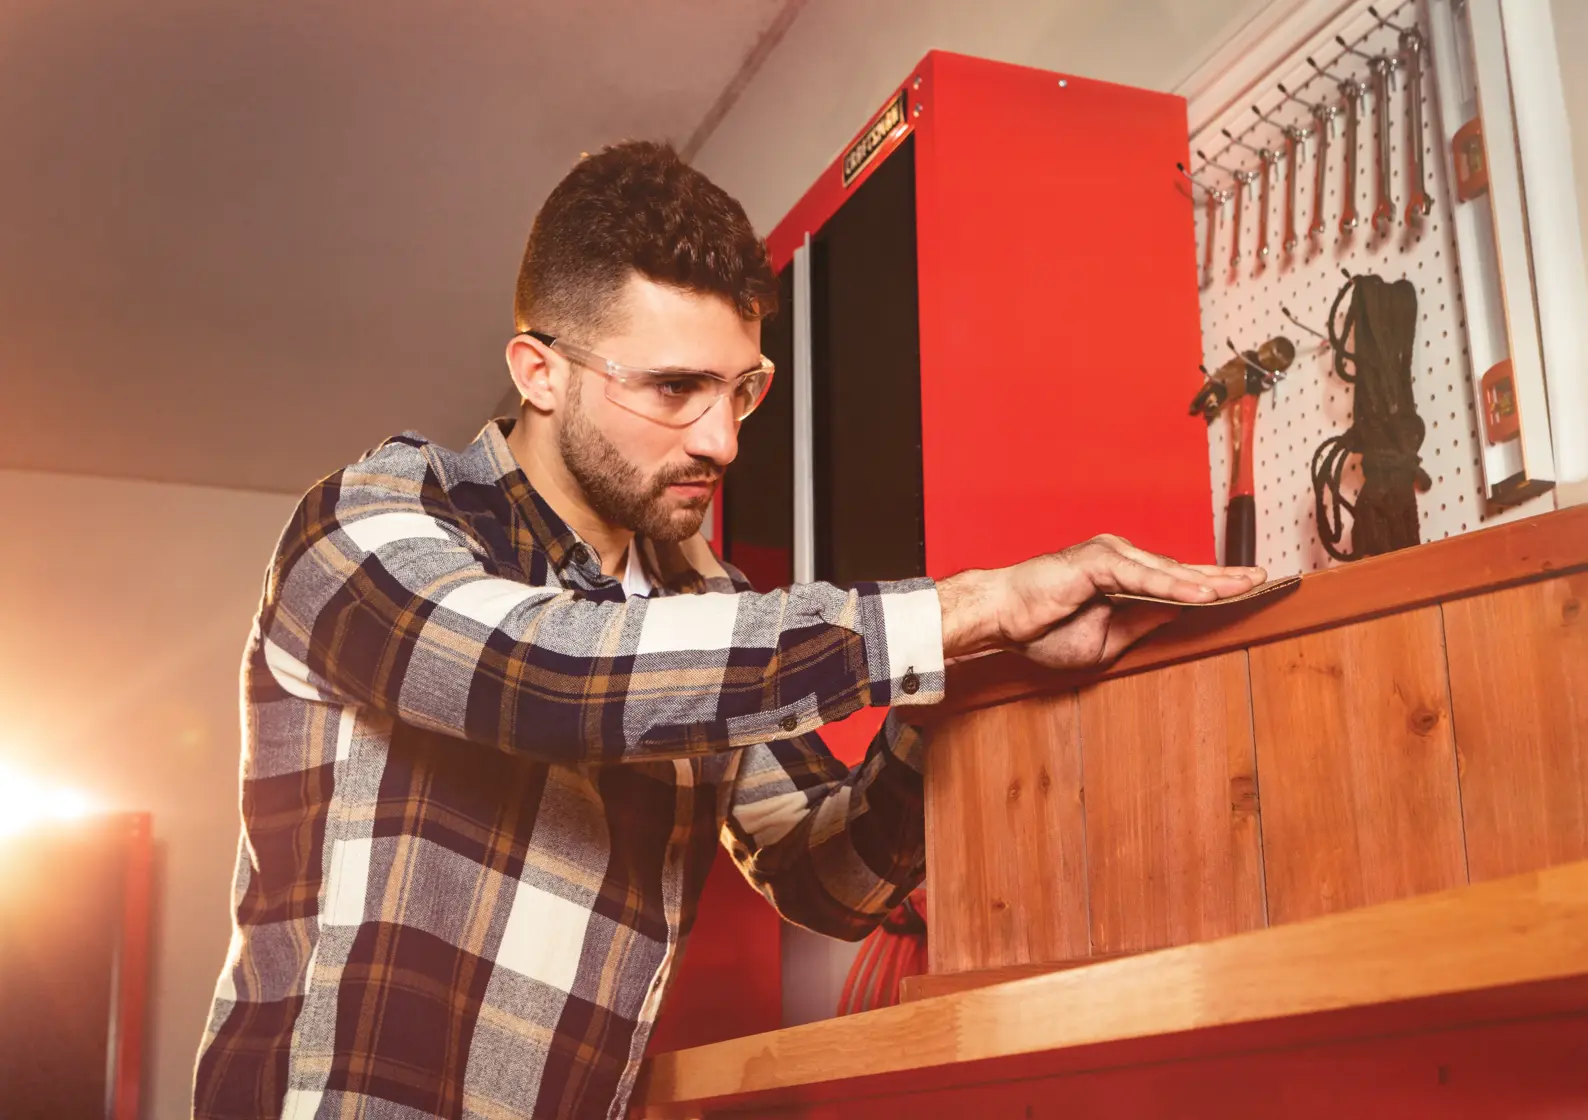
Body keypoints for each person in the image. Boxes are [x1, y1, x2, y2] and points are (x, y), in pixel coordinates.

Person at [192, 140, 1264, 1120]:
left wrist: (969, 674)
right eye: (673, 388)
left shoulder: (693, 603)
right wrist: (969, 605)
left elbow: (828, 876)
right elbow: (553, 674)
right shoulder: (379, 518)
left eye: (741, 388)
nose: (721, 440)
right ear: (541, 373)